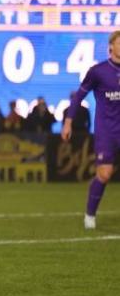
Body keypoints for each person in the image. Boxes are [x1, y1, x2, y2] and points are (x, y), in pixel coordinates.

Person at [62, 30, 120, 230]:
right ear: (111, 47)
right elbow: (78, 97)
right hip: (107, 132)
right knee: (104, 174)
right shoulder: (98, 71)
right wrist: (68, 122)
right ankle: (90, 215)